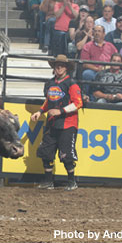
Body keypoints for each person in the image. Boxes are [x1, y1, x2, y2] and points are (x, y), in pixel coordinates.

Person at [30, 54, 83, 191]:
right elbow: (49, 101)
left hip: (68, 123)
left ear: (66, 68)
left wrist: (61, 111)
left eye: (61, 65)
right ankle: (48, 181)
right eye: (56, 65)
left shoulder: (71, 83)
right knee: (46, 151)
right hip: (52, 123)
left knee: (67, 155)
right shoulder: (50, 83)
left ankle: (72, 181)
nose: (59, 68)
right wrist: (40, 112)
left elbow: (78, 103)